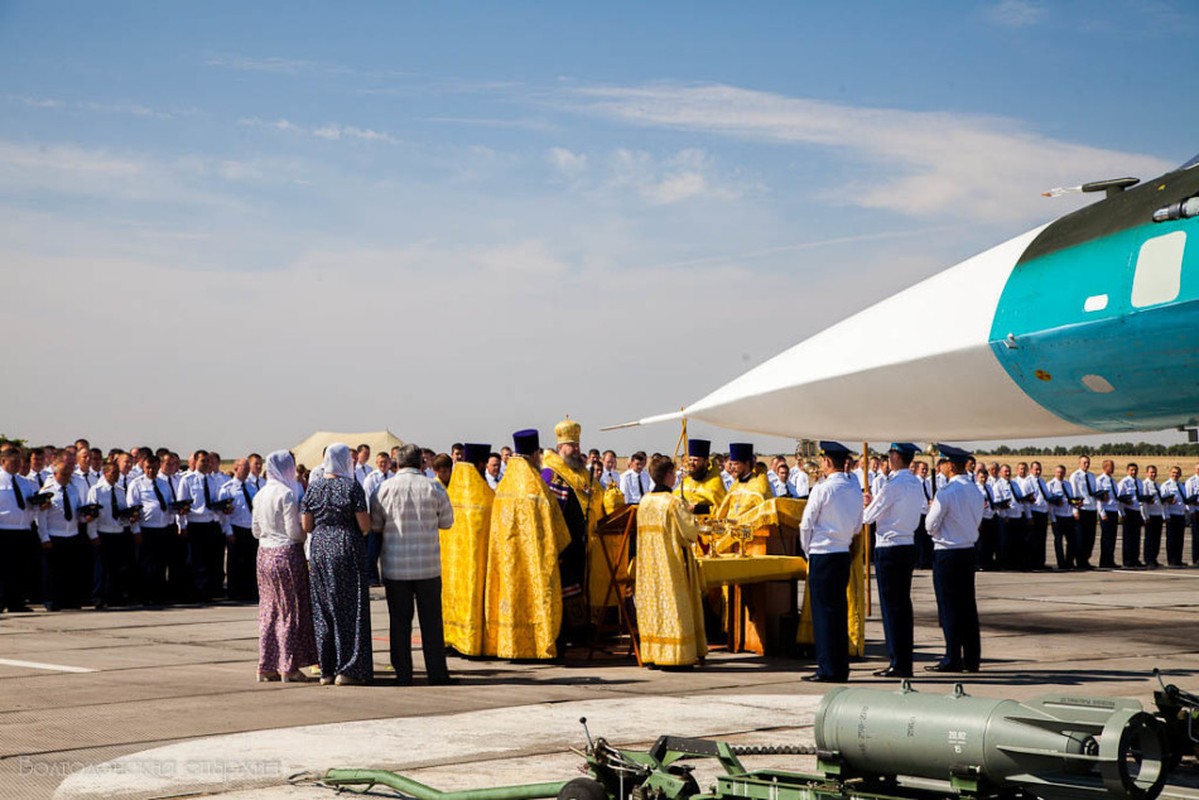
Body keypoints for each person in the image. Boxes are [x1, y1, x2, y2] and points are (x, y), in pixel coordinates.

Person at [371, 443, 455, 685]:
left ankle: (403, 673)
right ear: (422, 463)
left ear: (397, 463)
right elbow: (448, 522)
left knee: (399, 621)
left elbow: (376, 525)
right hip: (428, 566)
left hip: (396, 567)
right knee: (431, 622)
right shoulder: (433, 488)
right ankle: (437, 673)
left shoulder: (383, 489)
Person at [482, 429, 570, 660]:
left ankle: (510, 646)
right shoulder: (536, 487)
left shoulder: (503, 487)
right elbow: (558, 530)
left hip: (508, 562)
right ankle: (537, 645)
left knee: (510, 598)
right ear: (533, 455)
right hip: (534, 562)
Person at [302, 443, 373, 685]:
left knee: (323, 609)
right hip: (346, 546)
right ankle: (349, 668)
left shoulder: (314, 487)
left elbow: (306, 525)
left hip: (320, 547)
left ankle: (327, 669)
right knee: (350, 609)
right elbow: (364, 525)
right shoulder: (352, 487)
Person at [798, 441, 861, 683]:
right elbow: (857, 525)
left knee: (824, 614)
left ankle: (827, 667)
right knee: (837, 611)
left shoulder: (823, 490)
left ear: (826, 462)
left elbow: (806, 524)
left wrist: (808, 550)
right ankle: (839, 665)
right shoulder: (853, 489)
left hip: (823, 553)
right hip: (842, 552)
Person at [252, 451, 317, 683]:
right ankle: (289, 666)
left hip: (264, 554)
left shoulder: (259, 494)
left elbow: (256, 530)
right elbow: (293, 531)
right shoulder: (287, 494)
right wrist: (305, 536)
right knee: (289, 611)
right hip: (286, 554)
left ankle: (266, 664)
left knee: (269, 610)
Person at [635, 455, 706, 667]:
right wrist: (691, 515)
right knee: (674, 606)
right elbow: (690, 533)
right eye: (674, 473)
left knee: (654, 607)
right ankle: (676, 655)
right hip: (671, 565)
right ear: (667, 475)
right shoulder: (673, 502)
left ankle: (654, 653)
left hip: (649, 567)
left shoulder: (644, 501)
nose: (675, 477)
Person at [541, 418, 606, 647]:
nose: (576, 449)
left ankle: (581, 631)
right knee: (567, 589)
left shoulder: (581, 472)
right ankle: (567, 632)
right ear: (560, 448)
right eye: (571, 445)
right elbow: (551, 511)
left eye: (577, 445)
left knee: (581, 585)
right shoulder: (551, 473)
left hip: (584, 541)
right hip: (563, 543)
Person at [862, 443, 923, 678]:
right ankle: (902, 659)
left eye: (890, 455)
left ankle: (898, 662)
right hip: (907, 545)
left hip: (890, 548)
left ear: (896, 457)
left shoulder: (894, 484)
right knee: (902, 606)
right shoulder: (915, 483)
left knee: (892, 608)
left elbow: (869, 516)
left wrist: (868, 503)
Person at [924, 444, 984, 674]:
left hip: (947, 553)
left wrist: (934, 514)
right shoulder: (975, 490)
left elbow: (930, 526)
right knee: (967, 605)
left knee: (949, 607)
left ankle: (952, 656)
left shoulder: (947, 492)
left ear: (950, 465)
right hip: (968, 550)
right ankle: (971, 657)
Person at [442, 443, 494, 657]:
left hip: (452, 565)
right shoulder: (485, 495)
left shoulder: (451, 493)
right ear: (481, 465)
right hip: (475, 564)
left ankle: (451, 640)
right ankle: (472, 643)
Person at [38, 457, 100, 610]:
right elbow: (40, 518)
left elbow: (77, 511)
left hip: (71, 534)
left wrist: (87, 517)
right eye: (64, 474)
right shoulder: (47, 492)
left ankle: (69, 599)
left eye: (69, 474)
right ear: (55, 474)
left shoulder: (73, 490)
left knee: (71, 571)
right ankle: (51, 600)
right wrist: (44, 537)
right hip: (54, 534)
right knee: (53, 572)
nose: (67, 477)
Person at [88, 460, 142, 607]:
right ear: (105, 474)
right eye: (112, 473)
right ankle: (98, 597)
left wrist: (129, 518)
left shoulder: (120, 491)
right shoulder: (96, 490)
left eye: (117, 473)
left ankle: (114, 596)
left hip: (118, 532)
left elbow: (122, 511)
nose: (115, 476)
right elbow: (92, 513)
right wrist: (93, 534)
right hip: (103, 532)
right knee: (101, 568)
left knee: (116, 568)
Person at [128, 453, 176, 606]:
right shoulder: (137, 484)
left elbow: (168, 504)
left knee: (160, 564)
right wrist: (136, 531)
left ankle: (159, 594)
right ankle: (144, 595)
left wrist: (178, 510)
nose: (151, 471)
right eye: (148, 468)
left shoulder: (163, 483)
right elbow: (132, 509)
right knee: (145, 565)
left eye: (154, 468)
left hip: (162, 529)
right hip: (146, 529)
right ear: (143, 467)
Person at [0, 447, 41, 612]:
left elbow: (31, 503)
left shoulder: (24, 482)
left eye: (19, 462)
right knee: (3, 569)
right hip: (4, 529)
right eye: (14, 462)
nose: (18, 465)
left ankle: (16, 601)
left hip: (23, 529)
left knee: (20, 568)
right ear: (3, 462)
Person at [219, 458, 260, 601]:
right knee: (235, 563)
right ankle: (235, 592)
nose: (247, 470)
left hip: (250, 528)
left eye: (248, 467)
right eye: (244, 467)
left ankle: (250, 590)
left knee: (251, 562)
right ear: (236, 468)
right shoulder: (227, 488)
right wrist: (228, 531)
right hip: (236, 528)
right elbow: (224, 513)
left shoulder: (252, 487)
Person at [361, 451, 393, 585]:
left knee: (389, 551)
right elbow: (368, 499)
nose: (383, 465)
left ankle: (388, 577)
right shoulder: (371, 478)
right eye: (381, 462)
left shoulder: (393, 477)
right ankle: (373, 577)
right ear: (376, 463)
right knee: (373, 551)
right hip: (375, 518)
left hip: (391, 519)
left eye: (385, 462)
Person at [715, 443, 772, 519]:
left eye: (736, 464)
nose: (732, 468)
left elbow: (765, 516)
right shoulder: (735, 485)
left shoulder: (759, 486)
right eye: (731, 464)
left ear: (747, 464)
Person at [674, 439, 726, 515]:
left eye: (695, 460)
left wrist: (699, 509)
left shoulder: (714, 483)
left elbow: (724, 509)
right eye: (690, 459)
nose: (691, 463)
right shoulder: (686, 481)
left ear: (706, 462)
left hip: (706, 525)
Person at [1045, 465, 1078, 570]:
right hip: (1058, 516)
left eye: (1062, 472)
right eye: (1058, 472)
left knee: (1072, 541)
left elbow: (1071, 499)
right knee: (1058, 541)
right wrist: (1053, 518)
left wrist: (1076, 506)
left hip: (1068, 515)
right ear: (1055, 473)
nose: (1060, 474)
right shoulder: (1050, 485)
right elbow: (1049, 504)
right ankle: (1061, 562)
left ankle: (1069, 561)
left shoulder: (1068, 484)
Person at [1070, 456, 1098, 569]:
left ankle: (1086, 559)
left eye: (1088, 463)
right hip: (1082, 509)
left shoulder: (1091, 476)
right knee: (1081, 537)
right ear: (1079, 463)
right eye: (1084, 462)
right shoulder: (1075, 476)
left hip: (1091, 508)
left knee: (1090, 537)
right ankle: (1080, 560)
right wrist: (1075, 510)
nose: (1086, 465)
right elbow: (1074, 494)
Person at [1116, 464, 1145, 568]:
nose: (1134, 472)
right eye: (1132, 470)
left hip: (1137, 511)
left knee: (1136, 538)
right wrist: (1121, 513)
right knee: (1128, 538)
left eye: (1135, 470)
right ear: (1127, 471)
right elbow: (1118, 499)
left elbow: (1140, 498)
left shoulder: (1139, 482)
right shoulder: (1124, 483)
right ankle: (1128, 560)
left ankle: (1135, 559)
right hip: (1128, 512)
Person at [1024, 462, 1051, 570]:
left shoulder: (1042, 481)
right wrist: (1029, 516)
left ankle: (1040, 562)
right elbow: (1026, 501)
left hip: (1043, 512)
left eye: (1040, 469)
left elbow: (1046, 496)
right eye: (1036, 469)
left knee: (1041, 539)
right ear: (1031, 470)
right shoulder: (1028, 482)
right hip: (1034, 512)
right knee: (1032, 540)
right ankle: (1032, 563)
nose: (1038, 472)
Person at [1096, 459, 1121, 568]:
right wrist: (1102, 512)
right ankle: (1104, 561)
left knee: (1112, 537)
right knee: (1106, 537)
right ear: (1105, 467)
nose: (1113, 468)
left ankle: (1110, 560)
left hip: (1114, 510)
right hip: (1106, 511)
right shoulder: (1100, 480)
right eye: (1111, 466)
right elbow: (1099, 498)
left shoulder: (1113, 481)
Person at [1162, 466, 1188, 567]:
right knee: (1172, 539)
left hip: (1180, 514)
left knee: (1179, 539)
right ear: (1169, 473)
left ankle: (1178, 559)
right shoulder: (1166, 485)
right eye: (1173, 473)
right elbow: (1164, 502)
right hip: (1171, 515)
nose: (1175, 475)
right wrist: (1166, 516)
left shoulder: (1181, 486)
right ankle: (1172, 560)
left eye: (1177, 473)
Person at [1141, 465, 1164, 568]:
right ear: (1147, 473)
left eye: (1155, 472)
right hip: (1150, 515)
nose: (1153, 474)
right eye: (1151, 472)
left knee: (1156, 539)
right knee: (1150, 539)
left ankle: (1154, 558)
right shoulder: (1145, 485)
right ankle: (1148, 559)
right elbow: (1144, 502)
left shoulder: (1157, 485)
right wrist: (1145, 516)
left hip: (1158, 514)